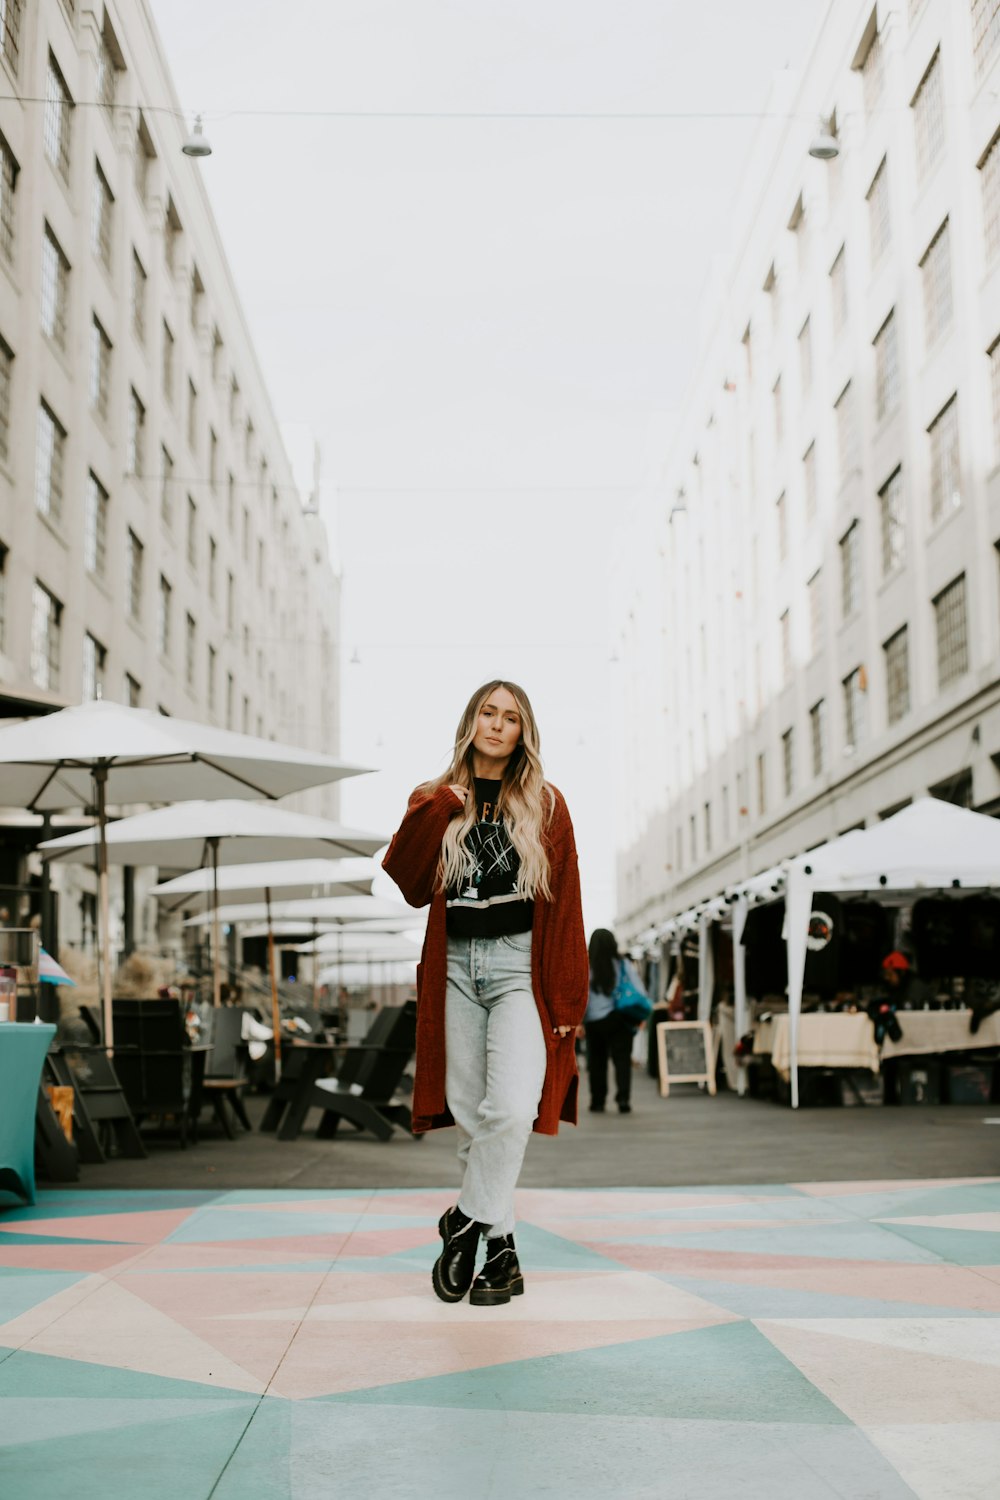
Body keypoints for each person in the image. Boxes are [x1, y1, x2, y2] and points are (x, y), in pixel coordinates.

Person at [382, 679, 588, 1307]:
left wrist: (567, 1001)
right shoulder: (433, 798)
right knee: (473, 1118)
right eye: (487, 713)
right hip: (455, 970)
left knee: (513, 1107)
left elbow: (568, 903)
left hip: (517, 968)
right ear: (470, 721)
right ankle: (501, 1255)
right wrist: (439, 810)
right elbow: (410, 882)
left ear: (524, 733)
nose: (497, 726)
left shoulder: (546, 805)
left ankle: (464, 1221)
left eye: (511, 718)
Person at [584, 928, 643, 1114]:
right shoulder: (623, 964)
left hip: (594, 1021)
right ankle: (623, 1099)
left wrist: (579, 1022)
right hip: (619, 1019)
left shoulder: (587, 965)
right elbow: (638, 990)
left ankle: (598, 1100)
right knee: (622, 1060)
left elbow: (581, 995)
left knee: (596, 1062)